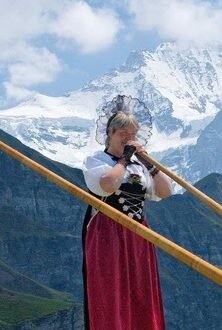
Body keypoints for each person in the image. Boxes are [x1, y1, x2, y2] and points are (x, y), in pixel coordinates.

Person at [81, 96, 173, 330]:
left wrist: (148, 164)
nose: (128, 138)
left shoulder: (138, 166)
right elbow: (107, 185)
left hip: (139, 233)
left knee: (141, 289)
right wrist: (123, 159)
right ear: (110, 133)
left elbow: (166, 191)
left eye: (132, 134)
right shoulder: (97, 160)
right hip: (108, 232)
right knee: (111, 289)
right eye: (122, 133)